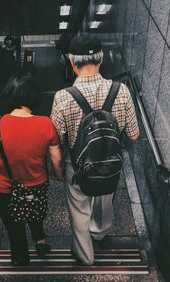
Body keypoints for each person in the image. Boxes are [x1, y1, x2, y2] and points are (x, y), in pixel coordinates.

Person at [50, 34, 140, 265]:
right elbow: (134, 134)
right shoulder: (121, 90)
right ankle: (99, 232)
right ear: (101, 59)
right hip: (109, 160)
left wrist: (58, 169)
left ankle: (85, 255)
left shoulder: (63, 97)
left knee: (79, 208)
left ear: (71, 62)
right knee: (104, 198)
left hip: (76, 165)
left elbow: (55, 140)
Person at [0, 73, 63, 266]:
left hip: (5, 187)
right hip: (36, 184)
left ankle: (22, 258)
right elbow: (56, 158)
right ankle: (40, 241)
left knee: (12, 224)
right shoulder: (45, 124)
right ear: (34, 96)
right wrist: (58, 174)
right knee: (34, 210)